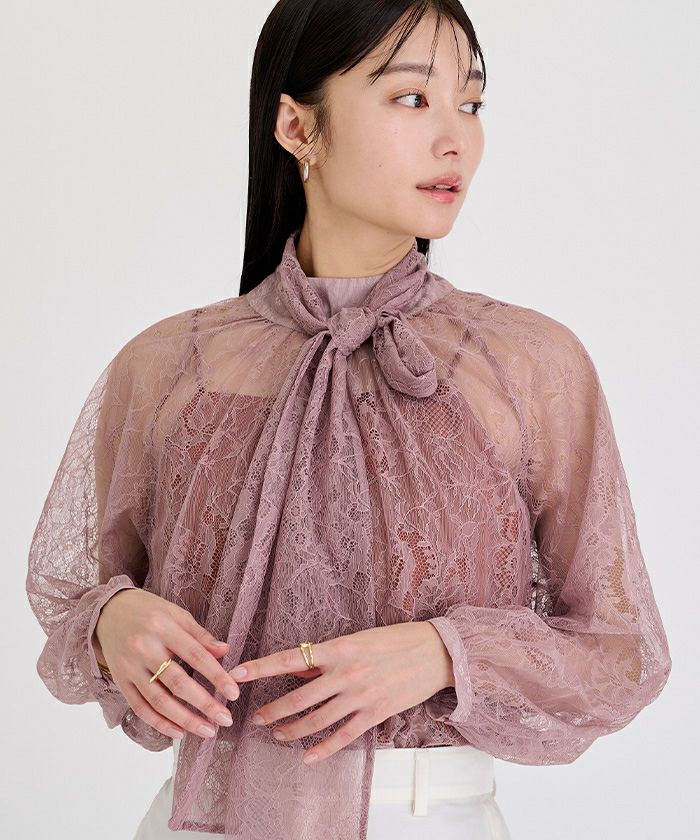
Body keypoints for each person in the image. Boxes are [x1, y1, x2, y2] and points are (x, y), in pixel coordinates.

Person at [26, 2, 672, 839]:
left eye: (471, 103)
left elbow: (622, 651)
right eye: (412, 98)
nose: (456, 139)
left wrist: (445, 652)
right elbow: (72, 593)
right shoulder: (167, 366)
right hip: (199, 818)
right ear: (298, 127)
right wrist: (112, 620)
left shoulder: (528, 365)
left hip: (426, 819)